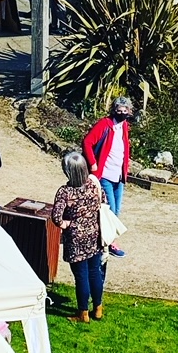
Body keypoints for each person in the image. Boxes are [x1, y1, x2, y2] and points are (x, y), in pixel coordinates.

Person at [52, 150, 107, 323]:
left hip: (75, 239)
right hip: (94, 234)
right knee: (94, 272)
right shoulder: (93, 185)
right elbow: (104, 202)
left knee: (81, 276)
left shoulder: (65, 192)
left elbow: (56, 216)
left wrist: (66, 224)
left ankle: (82, 313)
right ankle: (98, 308)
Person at [82, 96, 133, 258]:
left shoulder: (123, 125)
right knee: (109, 210)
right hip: (105, 175)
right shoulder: (105, 124)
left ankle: (108, 239)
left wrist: (126, 167)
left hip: (119, 176)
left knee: (116, 211)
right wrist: (93, 163)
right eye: (119, 111)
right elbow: (87, 142)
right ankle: (110, 243)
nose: (122, 113)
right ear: (114, 110)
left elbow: (124, 148)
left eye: (125, 111)